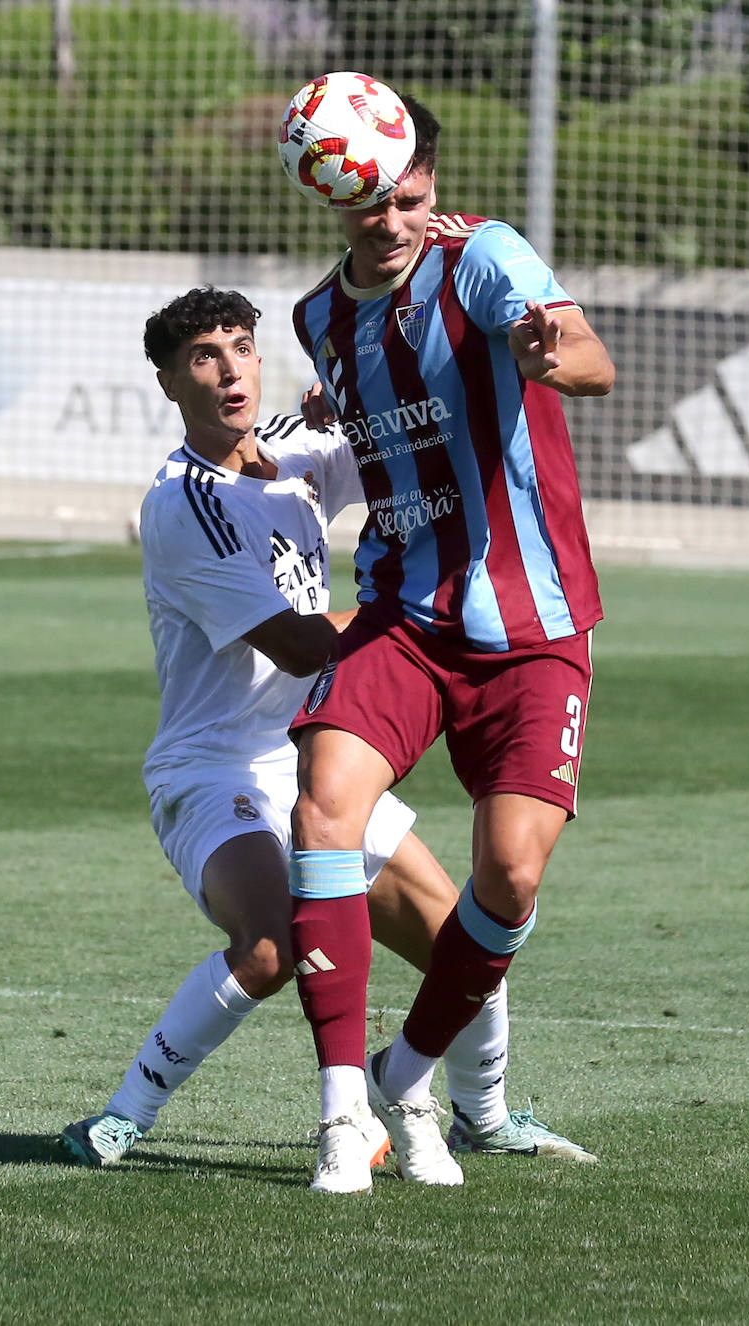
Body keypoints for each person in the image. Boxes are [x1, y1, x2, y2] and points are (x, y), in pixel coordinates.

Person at [59, 286, 596, 1195]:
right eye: (203, 357)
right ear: (167, 382)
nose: (229, 370)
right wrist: (429, 618)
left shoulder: (295, 450)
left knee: (466, 946)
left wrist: (374, 403)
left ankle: (491, 1117)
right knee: (270, 944)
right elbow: (304, 642)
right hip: (214, 765)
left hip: (314, 751)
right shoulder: (182, 505)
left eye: (240, 347)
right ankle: (124, 1115)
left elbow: (402, 448)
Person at [284, 89, 616, 1189]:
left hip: (531, 625)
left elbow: (589, 360)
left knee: (510, 879)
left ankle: (407, 1069)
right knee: (323, 805)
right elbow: (367, 408)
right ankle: (342, 1112)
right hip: (403, 614)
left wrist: (546, 356)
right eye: (373, 203)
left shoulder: (484, 256)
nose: (395, 220)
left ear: (429, 178)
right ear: (333, 194)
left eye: (411, 197)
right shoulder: (315, 320)